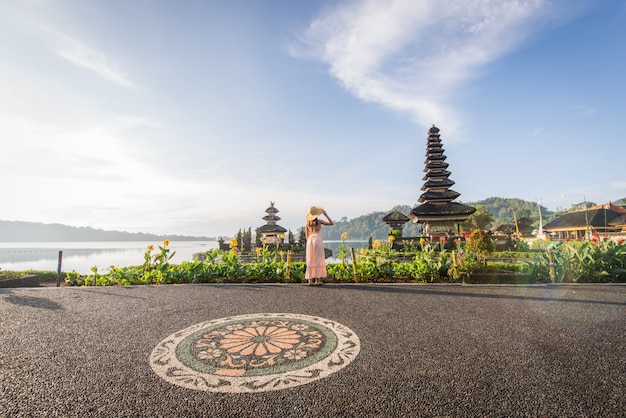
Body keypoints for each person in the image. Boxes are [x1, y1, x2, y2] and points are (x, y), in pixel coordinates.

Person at [305, 206, 334, 286]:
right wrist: (326, 214)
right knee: (318, 259)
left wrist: (309, 242)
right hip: (318, 240)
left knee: (310, 259)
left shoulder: (307, 222)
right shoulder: (319, 222)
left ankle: (310, 281)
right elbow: (331, 223)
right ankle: (317, 280)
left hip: (310, 240)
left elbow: (306, 235)